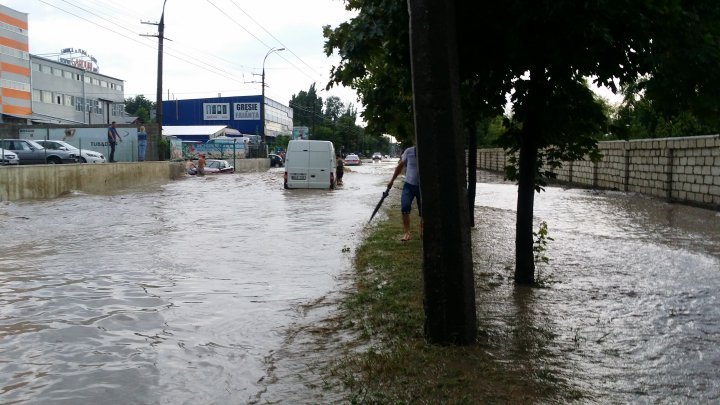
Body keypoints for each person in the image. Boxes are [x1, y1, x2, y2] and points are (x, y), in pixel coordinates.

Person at [387, 145, 421, 242]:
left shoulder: (427, 151)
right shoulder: (408, 151)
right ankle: (407, 233)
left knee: (423, 211)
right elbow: (400, 166)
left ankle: (422, 229)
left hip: (422, 187)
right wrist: (392, 180)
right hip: (408, 185)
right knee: (405, 207)